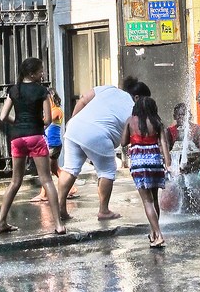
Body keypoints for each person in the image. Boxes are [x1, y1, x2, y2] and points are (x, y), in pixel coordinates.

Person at [56, 76, 151, 221]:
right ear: (137, 97)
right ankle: (104, 210)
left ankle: (60, 208)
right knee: (107, 171)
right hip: (98, 134)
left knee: (70, 169)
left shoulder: (108, 89)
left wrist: (73, 120)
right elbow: (131, 137)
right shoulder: (134, 110)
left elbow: (82, 100)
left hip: (75, 127)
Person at [0, 57, 66, 235]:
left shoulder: (14, 90)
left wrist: (18, 123)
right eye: (41, 71)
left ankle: (0, 223)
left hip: (17, 139)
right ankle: (58, 224)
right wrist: (37, 125)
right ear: (32, 74)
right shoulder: (42, 91)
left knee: (15, 181)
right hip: (36, 137)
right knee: (47, 180)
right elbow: (48, 120)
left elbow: (2, 116)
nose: (43, 74)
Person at [121, 96, 171, 247]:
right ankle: (153, 232)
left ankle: (159, 234)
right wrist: (168, 163)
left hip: (139, 163)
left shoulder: (131, 120)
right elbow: (163, 143)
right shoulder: (157, 122)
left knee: (147, 201)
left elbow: (123, 142)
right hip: (155, 161)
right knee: (154, 199)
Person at [30, 88, 78, 202]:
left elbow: (45, 123)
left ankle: (43, 194)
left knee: (45, 170)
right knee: (55, 169)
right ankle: (71, 188)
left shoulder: (56, 111)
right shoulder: (52, 111)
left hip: (52, 145)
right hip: (52, 144)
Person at [166, 102, 200, 212]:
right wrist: (174, 168)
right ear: (174, 117)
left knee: (194, 184)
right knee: (175, 185)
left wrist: (190, 166)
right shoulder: (169, 131)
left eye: (184, 115)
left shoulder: (197, 129)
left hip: (194, 168)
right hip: (177, 170)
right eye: (179, 115)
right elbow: (167, 153)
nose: (182, 118)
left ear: (189, 116)